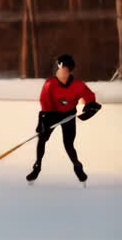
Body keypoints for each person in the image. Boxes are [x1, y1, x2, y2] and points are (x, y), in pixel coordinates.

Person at [27, 54, 102, 184]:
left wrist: (91, 106)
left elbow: (89, 97)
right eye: (58, 69)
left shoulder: (79, 85)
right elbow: (45, 102)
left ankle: (77, 166)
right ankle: (37, 166)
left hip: (68, 116)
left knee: (68, 144)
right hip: (50, 115)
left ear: (69, 71)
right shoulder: (49, 84)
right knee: (42, 139)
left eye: (64, 70)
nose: (60, 72)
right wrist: (44, 121)